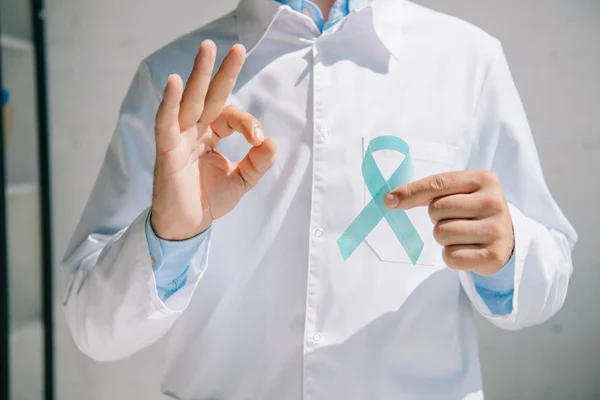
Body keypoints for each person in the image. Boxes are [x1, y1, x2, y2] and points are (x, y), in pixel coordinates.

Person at [62, 0, 577, 398]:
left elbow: (548, 276)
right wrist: (168, 235)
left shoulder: (470, 62)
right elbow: (94, 328)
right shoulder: (174, 80)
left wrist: (510, 250)